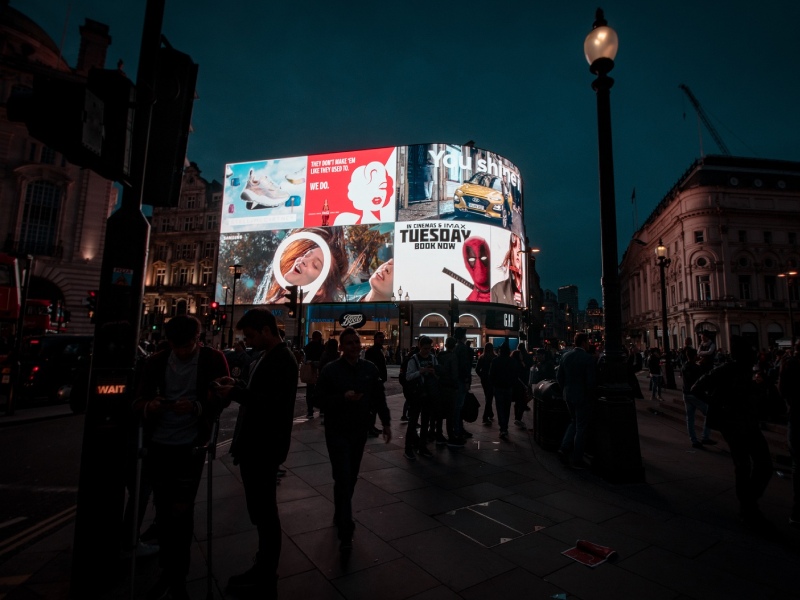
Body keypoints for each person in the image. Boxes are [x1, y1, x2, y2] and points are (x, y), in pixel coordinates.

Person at [133, 315, 230, 600]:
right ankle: (167, 567)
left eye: (188, 346)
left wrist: (198, 407)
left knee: (181, 509)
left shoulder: (213, 359)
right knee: (163, 510)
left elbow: (223, 395)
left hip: (191, 445)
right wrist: (151, 406)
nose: (183, 352)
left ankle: (178, 575)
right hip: (160, 444)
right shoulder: (155, 363)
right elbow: (137, 402)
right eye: (177, 346)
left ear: (198, 339)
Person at [214, 309, 298, 597]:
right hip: (257, 444)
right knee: (260, 510)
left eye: (250, 336)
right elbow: (257, 392)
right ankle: (263, 565)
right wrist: (236, 385)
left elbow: (269, 403)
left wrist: (235, 394)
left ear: (265, 330)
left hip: (265, 445)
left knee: (265, 512)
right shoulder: (267, 357)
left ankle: (265, 571)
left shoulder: (282, 360)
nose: (247, 342)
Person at [315, 328, 391, 551]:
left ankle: (341, 510)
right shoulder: (331, 370)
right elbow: (319, 399)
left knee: (352, 476)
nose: (353, 346)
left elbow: (379, 397)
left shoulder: (369, 369)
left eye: (356, 342)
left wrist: (386, 423)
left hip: (359, 430)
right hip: (337, 430)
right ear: (341, 347)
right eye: (348, 343)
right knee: (343, 475)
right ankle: (346, 527)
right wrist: (342, 397)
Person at [692, 335, 772, 528]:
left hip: (749, 423)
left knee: (763, 464)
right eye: (752, 351)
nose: (755, 354)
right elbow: (697, 388)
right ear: (744, 354)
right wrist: (720, 405)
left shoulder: (750, 371)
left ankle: (748, 502)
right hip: (734, 424)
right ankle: (747, 506)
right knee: (743, 465)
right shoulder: (726, 370)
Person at [261, 227, 349, 304]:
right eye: (306, 255)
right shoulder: (265, 306)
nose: (303, 260)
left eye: (315, 265)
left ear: (319, 288)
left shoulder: (314, 320)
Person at [557, 333, 597, 470]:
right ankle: (577, 458)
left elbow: (559, 377)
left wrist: (565, 389)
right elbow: (591, 382)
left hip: (568, 395)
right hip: (582, 397)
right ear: (584, 342)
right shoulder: (588, 358)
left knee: (574, 422)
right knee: (581, 427)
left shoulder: (565, 356)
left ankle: (564, 448)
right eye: (588, 341)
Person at [403, 335, 438, 459]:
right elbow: (408, 376)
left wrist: (434, 372)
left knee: (425, 422)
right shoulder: (414, 359)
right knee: (413, 421)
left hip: (429, 394)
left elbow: (439, 375)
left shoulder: (433, 358)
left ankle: (422, 447)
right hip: (417, 394)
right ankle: (408, 448)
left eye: (429, 348)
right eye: (425, 349)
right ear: (419, 347)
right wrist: (421, 372)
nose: (427, 351)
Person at [678, 337, 715, 449]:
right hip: (695, 395)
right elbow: (700, 381)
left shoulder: (684, 366)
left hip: (686, 394)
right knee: (709, 413)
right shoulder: (696, 368)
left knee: (690, 418)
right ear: (695, 356)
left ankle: (694, 440)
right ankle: (705, 436)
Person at [778, 341, 800, 527]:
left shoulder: (789, 365)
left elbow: (782, 390)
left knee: (797, 465)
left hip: (795, 416)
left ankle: (797, 510)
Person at [334, 160, 394, 225]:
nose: (377, 193)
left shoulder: (390, 217)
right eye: (370, 188)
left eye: (382, 187)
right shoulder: (345, 219)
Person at [449, 327, 473, 446]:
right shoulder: (462, 348)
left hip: (457, 380)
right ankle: (458, 430)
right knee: (459, 406)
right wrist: (467, 380)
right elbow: (464, 366)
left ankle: (459, 429)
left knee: (458, 407)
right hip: (461, 381)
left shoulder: (456, 348)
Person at [434, 337, 459, 445]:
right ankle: (451, 435)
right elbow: (454, 373)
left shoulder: (440, 355)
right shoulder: (453, 357)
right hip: (449, 386)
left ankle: (439, 433)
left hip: (440, 386)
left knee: (439, 412)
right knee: (450, 412)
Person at [490, 343, 516, 440]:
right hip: (508, 387)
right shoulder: (512, 361)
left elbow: (491, 375)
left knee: (500, 407)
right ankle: (505, 426)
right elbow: (515, 375)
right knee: (507, 408)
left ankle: (502, 428)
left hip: (498, 387)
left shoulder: (495, 361)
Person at [365, 331, 388, 437]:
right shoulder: (372, 351)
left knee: (375, 406)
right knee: (372, 407)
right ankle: (369, 427)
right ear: (375, 339)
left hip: (378, 381)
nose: (382, 339)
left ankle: (371, 426)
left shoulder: (379, 350)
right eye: (380, 337)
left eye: (383, 337)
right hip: (373, 382)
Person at [490, 234, 523, 306]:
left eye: (520, 247)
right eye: (514, 246)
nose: (517, 251)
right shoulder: (498, 289)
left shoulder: (527, 291)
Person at [303, 330, 324, 419]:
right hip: (319, 370)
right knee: (321, 391)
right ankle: (322, 410)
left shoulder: (307, 347)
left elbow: (304, 360)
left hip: (310, 370)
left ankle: (310, 411)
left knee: (310, 391)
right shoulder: (322, 347)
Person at [475, 342, 495, 425]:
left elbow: (477, 369)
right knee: (489, 397)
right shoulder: (494, 357)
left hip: (484, 380)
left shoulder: (482, 358)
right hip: (492, 379)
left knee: (488, 396)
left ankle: (490, 413)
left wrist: (482, 376)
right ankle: (485, 416)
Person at [511, 349, 530, 428]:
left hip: (516, 385)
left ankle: (517, 418)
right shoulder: (519, 364)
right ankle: (518, 418)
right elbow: (522, 375)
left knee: (518, 402)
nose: (522, 356)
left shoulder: (513, 363)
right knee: (522, 402)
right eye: (520, 355)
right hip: (520, 385)